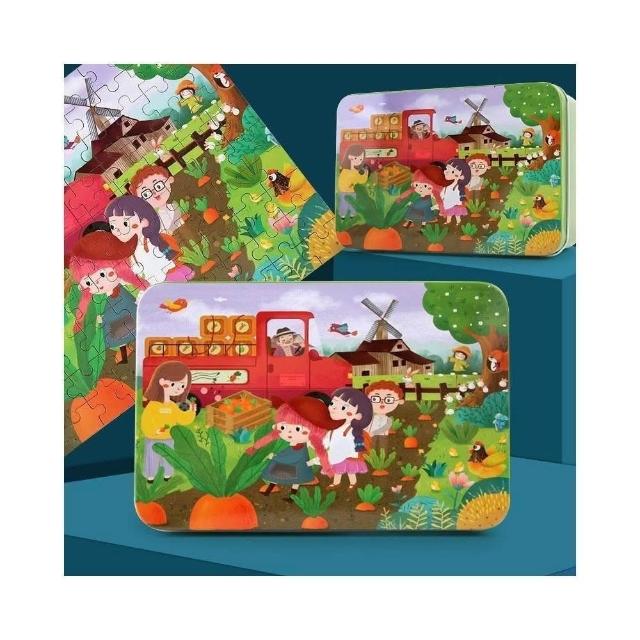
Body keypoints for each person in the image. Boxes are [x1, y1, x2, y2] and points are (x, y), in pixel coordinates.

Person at [68, 227, 147, 365]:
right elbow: (84, 302)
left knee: (137, 325)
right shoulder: (91, 296)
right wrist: (79, 320)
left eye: (102, 275)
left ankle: (135, 344)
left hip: (129, 312)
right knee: (112, 337)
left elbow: (139, 285)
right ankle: (127, 349)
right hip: (111, 320)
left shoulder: (125, 282)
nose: (97, 282)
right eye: (88, 281)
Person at [246, 395, 343, 500]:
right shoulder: (278, 433)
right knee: (276, 472)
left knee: (296, 478)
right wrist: (255, 447)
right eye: (283, 427)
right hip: (285, 457)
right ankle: (271, 488)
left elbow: (321, 453)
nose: (289, 432)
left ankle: (292, 496)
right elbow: (269, 437)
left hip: (297, 461)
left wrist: (327, 469)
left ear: (314, 432)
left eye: (297, 429)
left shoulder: (310, 442)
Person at [106, 195, 193, 286]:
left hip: (169, 272)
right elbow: (137, 268)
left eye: (125, 223)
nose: (119, 230)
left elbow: (168, 230)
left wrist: (181, 220)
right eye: (113, 226)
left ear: (144, 221)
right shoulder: (132, 250)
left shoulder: (153, 237)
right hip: (157, 279)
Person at [141, 362, 197, 481]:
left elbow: (182, 419)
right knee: (152, 457)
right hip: (153, 438)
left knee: (169, 457)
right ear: (162, 382)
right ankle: (150, 475)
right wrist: (154, 431)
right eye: (173, 384)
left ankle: (167, 474)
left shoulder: (172, 406)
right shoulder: (153, 405)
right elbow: (146, 422)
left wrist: (191, 411)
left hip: (169, 438)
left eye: (182, 386)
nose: (179, 389)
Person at [311, 388, 373, 489]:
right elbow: (328, 440)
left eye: (343, 407)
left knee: (350, 471)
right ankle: (336, 483)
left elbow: (352, 444)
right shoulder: (333, 428)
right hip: (336, 454)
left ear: (358, 415)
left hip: (349, 456)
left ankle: (352, 483)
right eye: (332, 404)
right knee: (338, 470)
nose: (334, 408)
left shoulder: (352, 430)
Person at [129, 165, 185, 236]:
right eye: (146, 194)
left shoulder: (175, 206)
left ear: (170, 180)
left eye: (158, 186)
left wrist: (172, 229)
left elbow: (178, 219)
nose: (154, 193)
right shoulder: (153, 218)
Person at [364, 381, 405, 450]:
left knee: (383, 448)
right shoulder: (371, 417)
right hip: (371, 435)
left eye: (388, 400)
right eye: (375, 399)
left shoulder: (388, 420)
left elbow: (385, 428)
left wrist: (374, 432)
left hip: (382, 436)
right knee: (371, 448)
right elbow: (367, 425)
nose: (382, 402)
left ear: (399, 401)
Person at [337, 144, 369, 218]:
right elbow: (342, 181)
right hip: (346, 191)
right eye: (356, 158)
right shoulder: (346, 171)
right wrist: (348, 186)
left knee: (351, 203)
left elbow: (361, 180)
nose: (358, 161)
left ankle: (350, 214)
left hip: (350, 191)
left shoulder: (353, 171)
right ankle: (344, 215)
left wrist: (365, 174)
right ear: (350, 156)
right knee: (345, 203)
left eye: (360, 159)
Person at [440, 158, 472, 225]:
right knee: (449, 214)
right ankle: (448, 221)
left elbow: (460, 196)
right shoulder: (447, 186)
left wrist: (459, 202)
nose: (446, 172)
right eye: (447, 169)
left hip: (456, 204)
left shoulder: (460, 187)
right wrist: (443, 197)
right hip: (448, 203)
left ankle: (458, 222)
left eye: (452, 171)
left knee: (457, 215)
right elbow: (443, 193)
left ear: (462, 176)